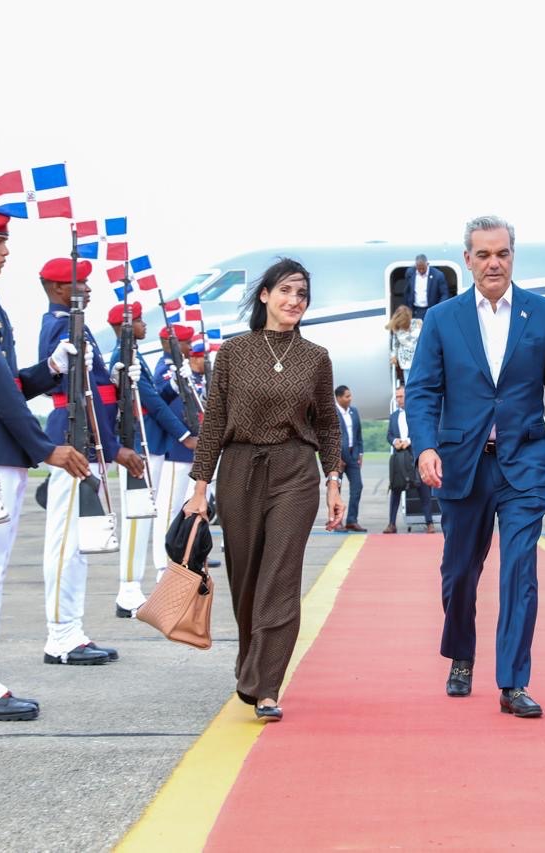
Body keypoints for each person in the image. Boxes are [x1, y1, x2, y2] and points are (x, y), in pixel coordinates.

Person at [409, 215, 545, 719]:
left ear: (512, 257)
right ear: (467, 260)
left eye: (502, 253)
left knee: (520, 569)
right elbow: (422, 391)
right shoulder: (442, 319)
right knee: (460, 572)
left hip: (524, 463)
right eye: (483, 254)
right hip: (462, 464)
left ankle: (513, 681)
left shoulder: (544, 315)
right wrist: (425, 448)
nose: (493, 263)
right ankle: (461, 653)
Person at [0, 205, 91, 721]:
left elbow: (10, 382)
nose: (5, 251)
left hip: (1, 445)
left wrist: (49, 369)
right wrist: (45, 447)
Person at [184, 258, 345, 721]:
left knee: (280, 577)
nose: (295, 301)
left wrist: (333, 480)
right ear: (265, 296)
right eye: (286, 291)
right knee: (246, 578)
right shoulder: (233, 353)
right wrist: (200, 488)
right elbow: (214, 422)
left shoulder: (316, 357)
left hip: (295, 471)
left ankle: (267, 685)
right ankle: (249, 665)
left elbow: (327, 424)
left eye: (302, 294)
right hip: (239, 469)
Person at [37, 259, 144, 665]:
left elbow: (96, 389)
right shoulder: (61, 327)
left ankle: (71, 630)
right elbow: (78, 394)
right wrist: (112, 447)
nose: (87, 288)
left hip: (87, 440)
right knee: (65, 545)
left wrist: (115, 382)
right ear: (57, 288)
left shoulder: (74, 325)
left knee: (76, 545)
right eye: (78, 282)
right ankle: (61, 636)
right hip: (75, 440)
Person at [107, 302, 195, 617]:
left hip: (150, 444)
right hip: (139, 444)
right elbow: (153, 405)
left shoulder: (134, 355)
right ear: (125, 325)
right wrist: (184, 435)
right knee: (137, 518)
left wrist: (172, 386)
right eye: (140, 321)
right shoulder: (124, 357)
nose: (145, 325)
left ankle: (134, 587)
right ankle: (128, 591)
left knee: (144, 516)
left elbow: (155, 397)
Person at [152, 322, 199, 573]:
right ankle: (163, 565)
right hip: (175, 448)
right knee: (168, 508)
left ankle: (177, 559)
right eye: (186, 342)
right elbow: (161, 402)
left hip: (186, 449)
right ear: (172, 344)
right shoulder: (165, 369)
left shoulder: (179, 368)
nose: (190, 347)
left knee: (180, 506)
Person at [384, 385, 434, 533]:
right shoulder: (393, 416)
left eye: (401, 396)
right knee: (396, 489)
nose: (398, 399)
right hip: (400, 458)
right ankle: (392, 523)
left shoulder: (417, 412)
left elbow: (423, 430)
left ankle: (429, 522)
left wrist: (409, 441)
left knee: (423, 489)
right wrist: (395, 442)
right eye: (397, 397)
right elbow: (389, 435)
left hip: (415, 456)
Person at [334, 385, 365, 531]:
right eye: (347, 396)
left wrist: (360, 454)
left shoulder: (354, 412)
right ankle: (337, 521)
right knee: (336, 489)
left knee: (357, 486)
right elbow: (328, 437)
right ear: (338, 398)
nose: (350, 398)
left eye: (350, 395)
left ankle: (352, 520)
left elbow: (358, 435)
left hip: (353, 456)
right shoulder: (332, 413)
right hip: (339, 458)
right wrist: (335, 457)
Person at [387, 305, 423, 386]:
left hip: (420, 359)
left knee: (422, 383)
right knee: (409, 385)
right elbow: (395, 344)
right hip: (406, 362)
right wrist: (394, 356)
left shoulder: (418, 323)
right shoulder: (396, 329)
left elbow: (426, 339)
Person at [409, 253, 448, 320]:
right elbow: (407, 292)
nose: (421, 271)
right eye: (419, 268)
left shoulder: (438, 275)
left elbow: (444, 294)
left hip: (432, 309)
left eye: (423, 268)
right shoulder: (410, 273)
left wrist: (439, 308)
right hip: (416, 310)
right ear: (416, 266)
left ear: (427, 264)